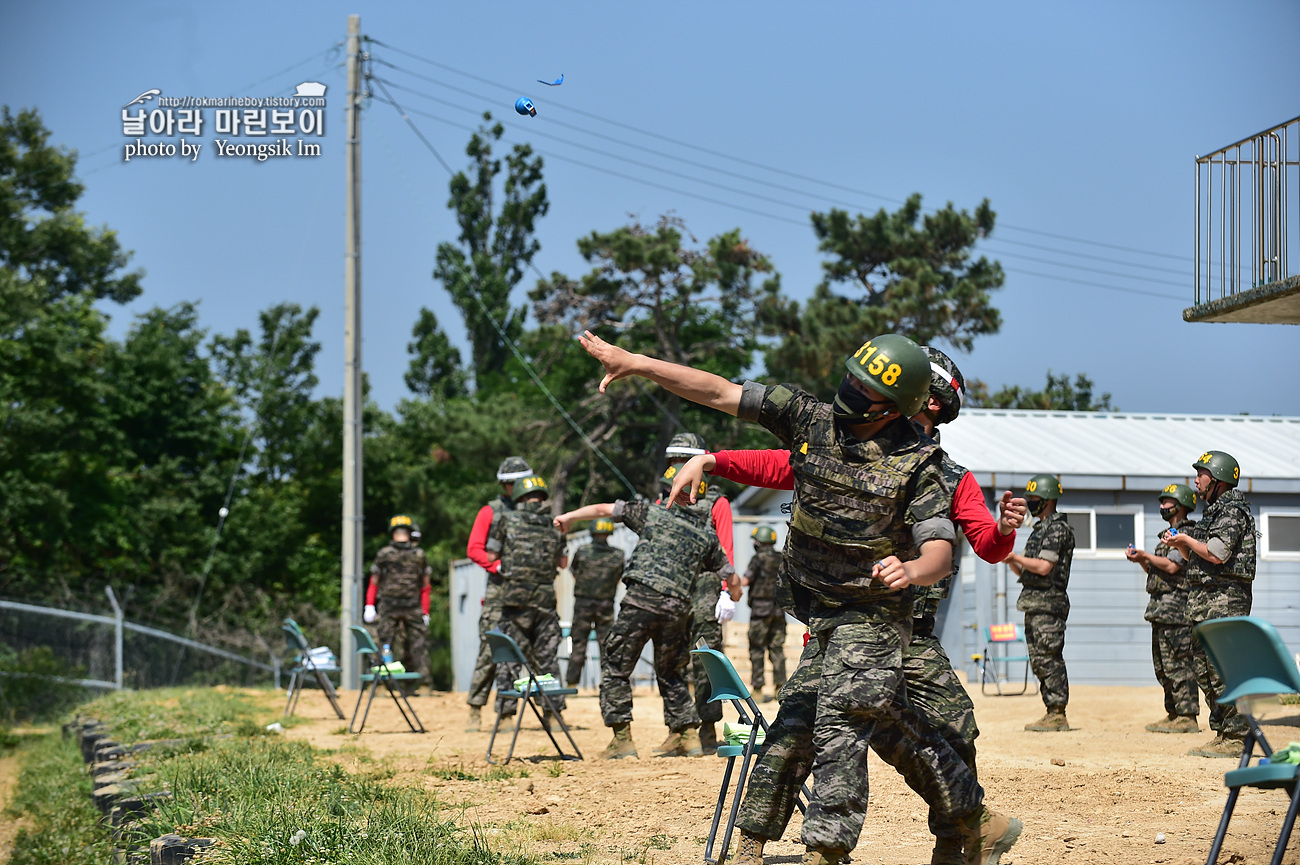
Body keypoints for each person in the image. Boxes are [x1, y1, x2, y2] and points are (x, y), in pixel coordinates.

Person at [578, 328, 1018, 865]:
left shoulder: (930, 469)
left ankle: (832, 851)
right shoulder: (817, 424)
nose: (847, 397)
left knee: (853, 719)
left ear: (910, 405)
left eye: (863, 393)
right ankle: (968, 820)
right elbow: (724, 396)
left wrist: (914, 568)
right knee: (805, 726)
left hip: (880, 619)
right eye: (849, 383)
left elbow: (949, 550)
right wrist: (644, 371)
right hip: (826, 617)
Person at [554, 467, 731, 760]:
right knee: (672, 671)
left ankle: (622, 740)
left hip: (640, 603)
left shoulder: (652, 513)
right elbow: (730, 574)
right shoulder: (706, 536)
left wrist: (569, 517)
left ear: (673, 492)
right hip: (677, 610)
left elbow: (603, 508)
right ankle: (689, 736)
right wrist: (732, 594)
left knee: (616, 666)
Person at [1164, 451, 1257, 759]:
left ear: (1217, 480)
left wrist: (1187, 541)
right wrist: (1184, 545)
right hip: (1205, 602)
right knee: (1205, 671)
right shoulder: (1214, 511)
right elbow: (1203, 560)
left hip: (1225, 602)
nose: (1195, 481)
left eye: (1200, 475)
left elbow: (1217, 553)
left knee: (1223, 669)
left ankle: (1237, 735)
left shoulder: (1232, 512)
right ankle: (1222, 732)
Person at [666, 431, 740, 754]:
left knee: (705, 658)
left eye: (681, 459)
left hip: (707, 588)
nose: (676, 466)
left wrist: (726, 591)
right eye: (673, 460)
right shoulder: (663, 498)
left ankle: (707, 730)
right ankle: (678, 728)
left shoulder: (717, 502)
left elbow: (725, 546)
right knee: (669, 657)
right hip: (673, 587)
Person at [485, 474, 569, 725]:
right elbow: (563, 563)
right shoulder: (554, 526)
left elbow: (491, 556)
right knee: (547, 659)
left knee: (510, 657)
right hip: (544, 601)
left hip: (515, 601)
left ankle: (506, 717)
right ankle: (553, 715)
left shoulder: (507, 520)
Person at [463, 456, 533, 732]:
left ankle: (506, 713)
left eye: (516, 483)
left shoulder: (534, 511)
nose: (512, 488)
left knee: (520, 652)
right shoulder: (490, 511)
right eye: (508, 484)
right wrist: (497, 565)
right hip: (499, 592)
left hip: (528, 592)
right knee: (489, 650)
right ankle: (475, 708)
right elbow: (474, 549)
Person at [1126, 483, 1200, 734]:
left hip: (1177, 609)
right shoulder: (1166, 534)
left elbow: (1172, 567)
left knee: (1179, 663)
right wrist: (1142, 561)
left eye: (1167, 502)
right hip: (1160, 609)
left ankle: (1187, 716)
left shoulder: (1187, 532)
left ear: (1180, 505)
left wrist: (1145, 555)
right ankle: (1174, 713)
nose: (1162, 507)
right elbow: (1156, 569)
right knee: (1163, 665)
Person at [1004, 475, 1075, 732]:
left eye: (1034, 499)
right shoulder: (1039, 530)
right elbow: (1026, 573)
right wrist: (1011, 560)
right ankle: (1050, 711)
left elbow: (1044, 567)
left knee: (1049, 656)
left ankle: (1058, 712)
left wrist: (1016, 557)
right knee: (1038, 659)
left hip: (1049, 604)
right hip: (1033, 602)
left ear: (1046, 501)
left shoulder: (1057, 529)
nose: (1030, 503)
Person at [364, 514, 432, 692]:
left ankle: (422, 684)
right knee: (385, 643)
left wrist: (425, 610)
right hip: (389, 605)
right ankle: (380, 684)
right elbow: (375, 581)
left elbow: (425, 586)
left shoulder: (418, 555)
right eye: (399, 532)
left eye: (404, 532)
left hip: (411, 605)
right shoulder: (385, 554)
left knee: (418, 644)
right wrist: (369, 605)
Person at [565, 519, 625, 687]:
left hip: (583, 603)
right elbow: (620, 577)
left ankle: (571, 683)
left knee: (578, 642)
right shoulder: (618, 555)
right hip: (605, 604)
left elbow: (573, 571)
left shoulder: (582, 551)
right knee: (606, 644)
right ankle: (609, 682)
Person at [743, 526, 786, 703]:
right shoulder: (781, 558)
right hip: (778, 611)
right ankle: (780, 688)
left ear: (759, 541)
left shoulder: (757, 558)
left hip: (760, 611)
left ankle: (758, 689)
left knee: (757, 649)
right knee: (777, 649)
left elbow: (745, 580)